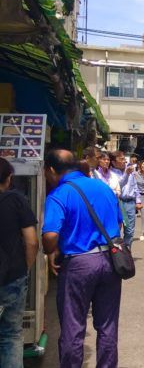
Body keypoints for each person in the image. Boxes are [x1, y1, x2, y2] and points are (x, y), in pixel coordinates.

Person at [42, 150, 123, 367]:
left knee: (73, 327)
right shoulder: (103, 188)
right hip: (110, 261)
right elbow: (118, 223)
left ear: (51, 170)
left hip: (78, 264)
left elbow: (50, 236)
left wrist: (51, 249)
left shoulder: (59, 194)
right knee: (107, 325)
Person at [0, 158, 38, 368]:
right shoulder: (16, 200)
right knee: (10, 336)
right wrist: (27, 268)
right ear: (9, 178)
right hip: (11, 276)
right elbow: (32, 241)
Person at [111, 151, 142, 248]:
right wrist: (126, 174)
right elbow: (118, 186)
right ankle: (117, 253)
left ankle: (127, 252)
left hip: (130, 203)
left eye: (124, 159)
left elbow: (135, 186)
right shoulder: (111, 173)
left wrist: (138, 200)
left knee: (129, 230)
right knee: (116, 229)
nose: (124, 161)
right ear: (113, 162)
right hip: (118, 202)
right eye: (121, 159)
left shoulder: (130, 172)